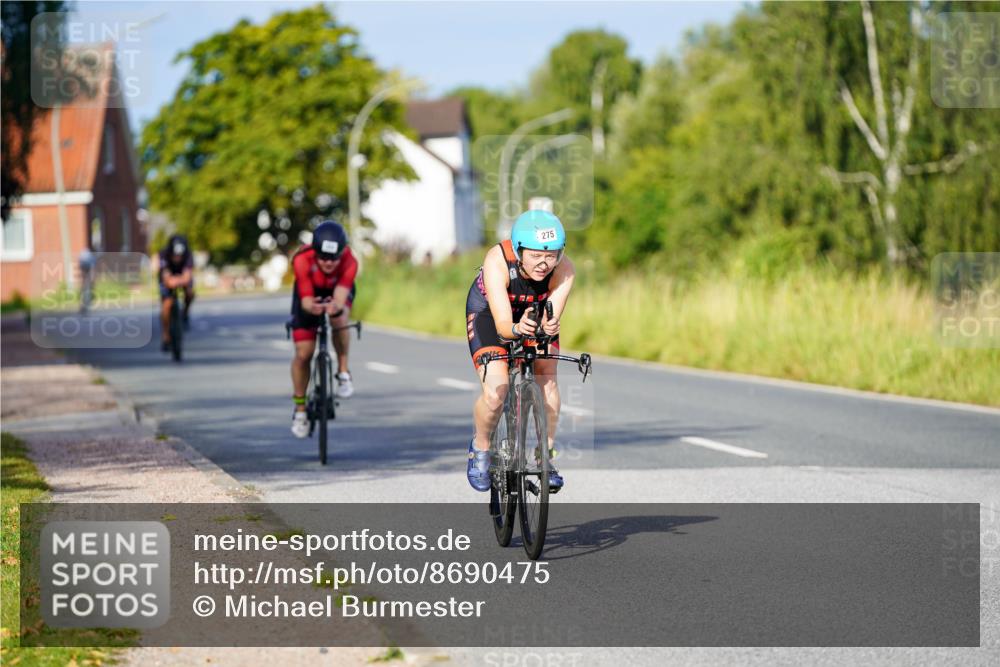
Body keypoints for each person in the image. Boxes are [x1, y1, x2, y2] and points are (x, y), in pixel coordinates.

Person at [464, 209, 575, 492]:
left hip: (533, 312)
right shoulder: (497, 261)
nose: (544, 263)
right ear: (518, 249)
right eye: (536, 254)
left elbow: (551, 317)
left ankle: (544, 456)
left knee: (547, 375)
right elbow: (503, 326)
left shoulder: (564, 270)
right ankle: (481, 448)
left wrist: (547, 326)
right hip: (491, 315)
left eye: (551, 255)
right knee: (497, 390)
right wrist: (516, 329)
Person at [289, 220, 358, 438]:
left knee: (339, 319)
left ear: (342, 254)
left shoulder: (350, 261)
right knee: (304, 354)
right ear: (315, 252)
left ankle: (343, 372)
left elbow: (339, 299)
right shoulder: (301, 259)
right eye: (323, 258)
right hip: (309, 292)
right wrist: (314, 307)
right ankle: (300, 410)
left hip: (336, 291)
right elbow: (307, 301)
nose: (329, 263)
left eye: (334, 258)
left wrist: (334, 308)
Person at [158, 234, 194, 351]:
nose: (178, 258)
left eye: (180, 256)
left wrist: (181, 280)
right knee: (167, 305)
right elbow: (166, 277)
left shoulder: (188, 255)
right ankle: (166, 335)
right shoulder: (164, 255)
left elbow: (187, 275)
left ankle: (185, 313)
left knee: (190, 293)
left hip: (181, 277)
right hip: (168, 278)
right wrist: (172, 280)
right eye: (175, 255)